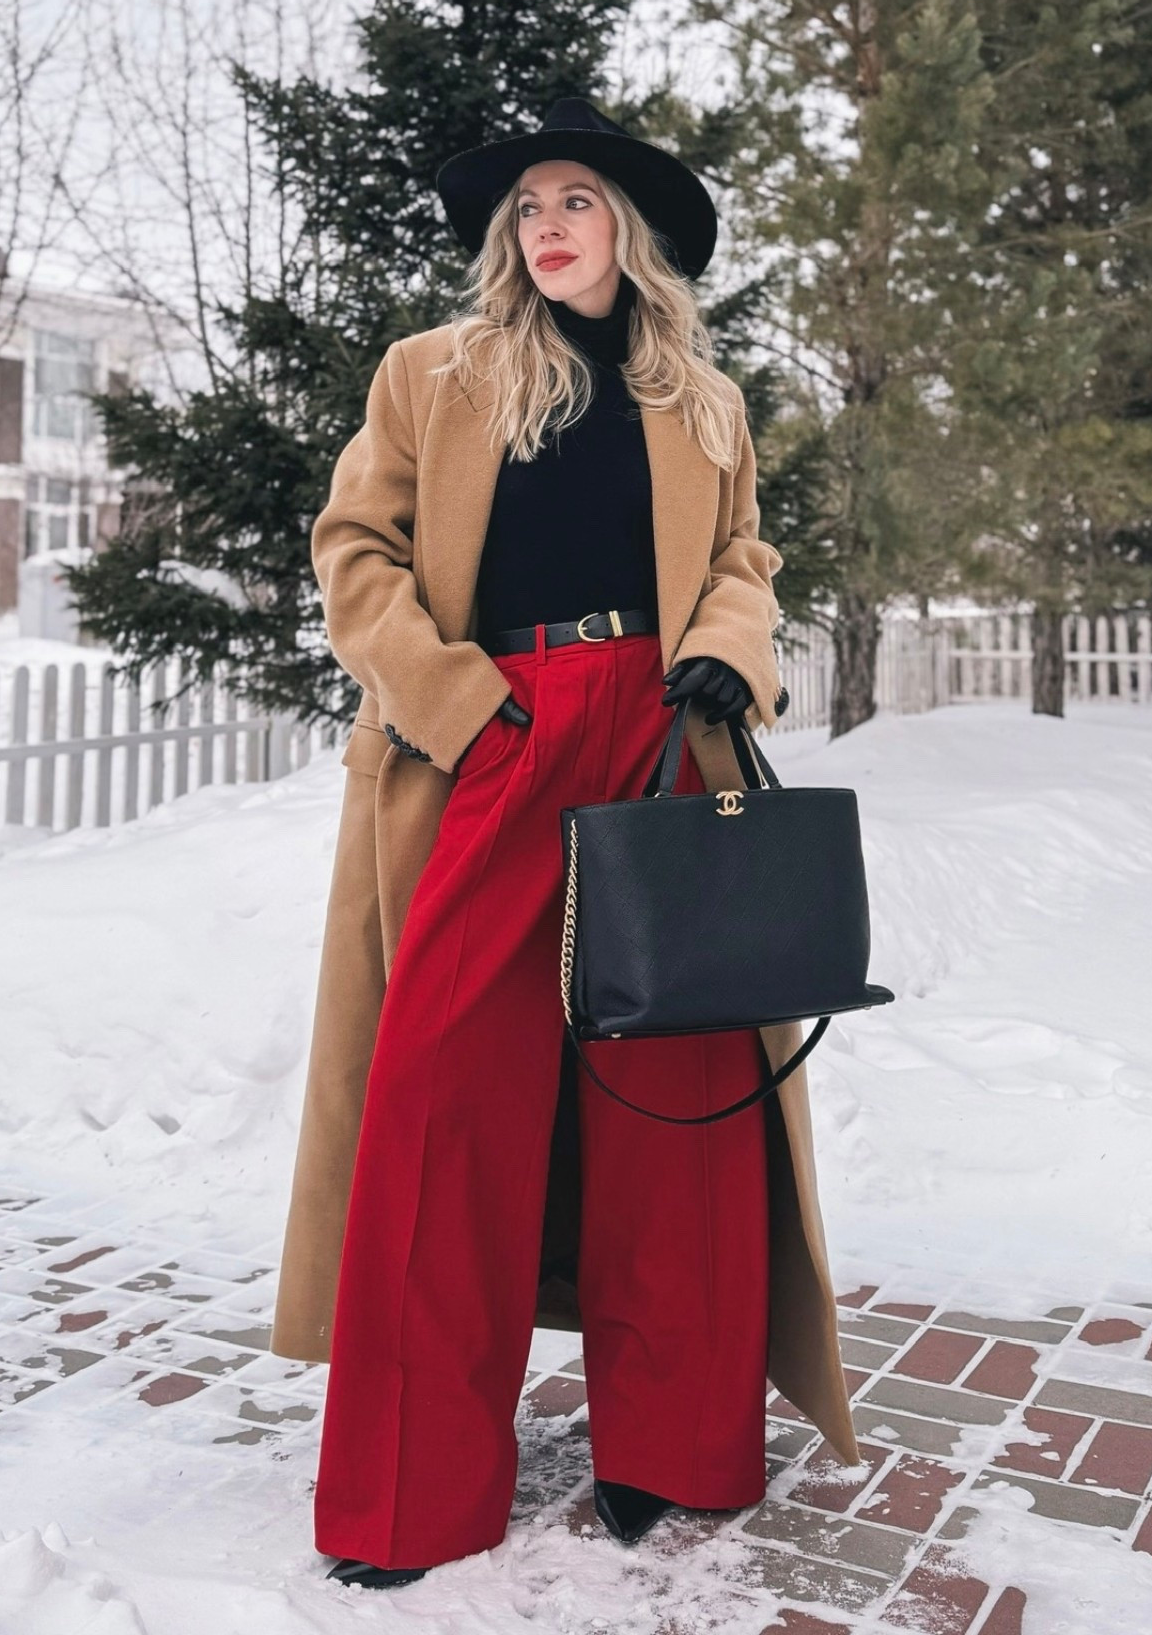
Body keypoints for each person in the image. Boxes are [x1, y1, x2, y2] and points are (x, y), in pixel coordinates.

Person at [269, 98, 861, 1588]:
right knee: (442, 1097)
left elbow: (744, 557)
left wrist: (734, 646)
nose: (546, 225)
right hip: (495, 736)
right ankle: (409, 1492)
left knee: (676, 1102)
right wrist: (459, 707)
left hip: (664, 739)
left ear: (628, 235)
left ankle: (674, 1450)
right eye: (528, 203)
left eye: (576, 200)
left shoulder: (701, 397)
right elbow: (357, 552)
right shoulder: (433, 374)